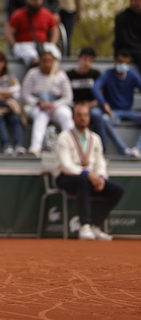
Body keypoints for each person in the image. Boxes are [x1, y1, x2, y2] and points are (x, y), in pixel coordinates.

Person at [53, 102, 125, 240]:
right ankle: (84, 225)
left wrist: (101, 178)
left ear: (89, 117)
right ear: (73, 118)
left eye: (85, 115)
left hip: (89, 178)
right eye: (79, 115)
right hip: (66, 178)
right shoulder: (64, 137)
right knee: (83, 180)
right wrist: (87, 173)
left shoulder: (95, 138)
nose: (83, 118)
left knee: (117, 189)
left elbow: (100, 162)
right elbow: (66, 165)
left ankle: (95, 226)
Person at [21, 43, 74, 156]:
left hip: (56, 105)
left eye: (50, 61)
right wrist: (38, 102)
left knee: (66, 115)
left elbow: (68, 97)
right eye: (44, 61)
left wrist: (55, 105)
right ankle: (35, 147)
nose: (47, 64)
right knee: (41, 116)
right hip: (38, 106)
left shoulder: (61, 75)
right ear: (40, 61)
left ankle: (72, 147)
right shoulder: (32, 74)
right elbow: (25, 94)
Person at [90, 50, 141, 158]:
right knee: (104, 119)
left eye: (126, 63)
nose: (123, 65)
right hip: (113, 111)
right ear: (115, 61)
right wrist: (104, 104)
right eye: (120, 62)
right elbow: (95, 88)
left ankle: (138, 149)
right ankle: (122, 149)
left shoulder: (132, 75)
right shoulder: (108, 74)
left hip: (128, 111)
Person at [5, 0, 59, 68]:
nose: (36, 2)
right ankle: (34, 66)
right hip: (24, 44)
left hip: (43, 44)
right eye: (33, 0)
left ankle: (53, 71)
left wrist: (52, 43)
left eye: (38, 0)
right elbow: (9, 32)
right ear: (27, 0)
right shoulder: (18, 15)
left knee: (55, 53)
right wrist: (14, 45)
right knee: (30, 54)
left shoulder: (47, 14)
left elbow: (54, 30)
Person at [113, 0, 141, 72]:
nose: (138, 3)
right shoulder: (121, 17)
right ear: (131, 1)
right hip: (125, 48)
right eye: (136, 0)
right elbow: (123, 39)